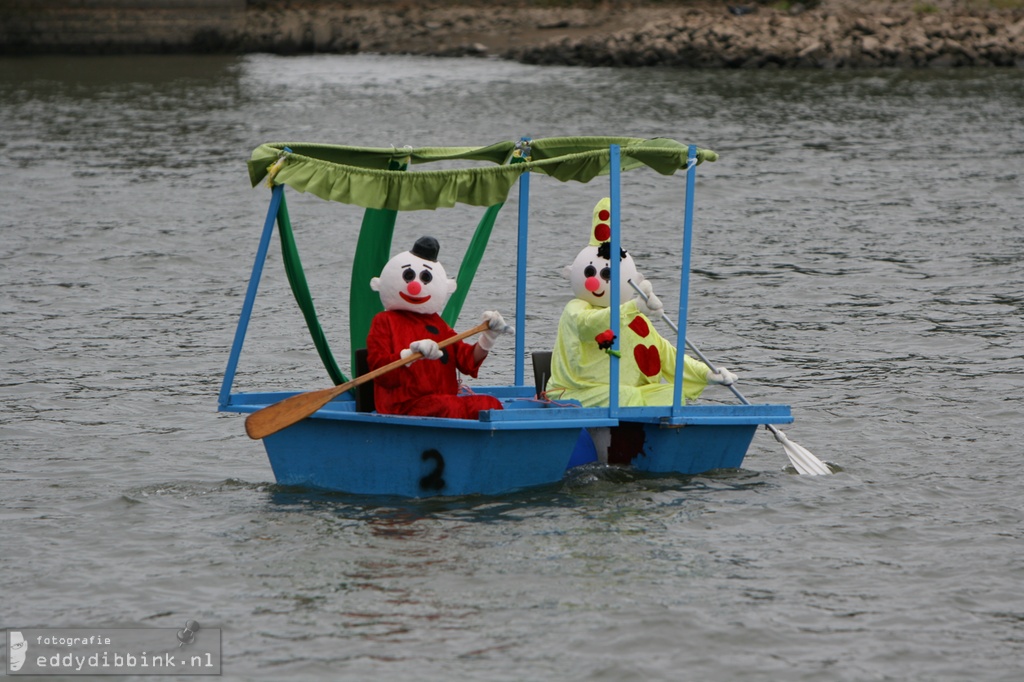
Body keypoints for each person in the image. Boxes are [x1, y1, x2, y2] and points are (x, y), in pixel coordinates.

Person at [547, 198, 736, 408]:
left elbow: (666, 354)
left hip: (618, 395)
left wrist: (707, 373)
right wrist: (635, 306)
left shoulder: (634, 319)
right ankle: (624, 438)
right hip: (573, 393)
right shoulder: (576, 309)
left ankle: (655, 438)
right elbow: (590, 324)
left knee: (671, 395)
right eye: (590, 273)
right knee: (626, 397)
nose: (594, 281)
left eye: (608, 274)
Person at [366, 236, 510, 419]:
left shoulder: (435, 322)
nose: (415, 287)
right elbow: (380, 371)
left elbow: (466, 361)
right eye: (408, 277)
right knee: (446, 407)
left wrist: (488, 337)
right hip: (401, 406)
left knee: (490, 404)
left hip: (442, 402)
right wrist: (409, 355)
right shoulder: (384, 321)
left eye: (425, 279)